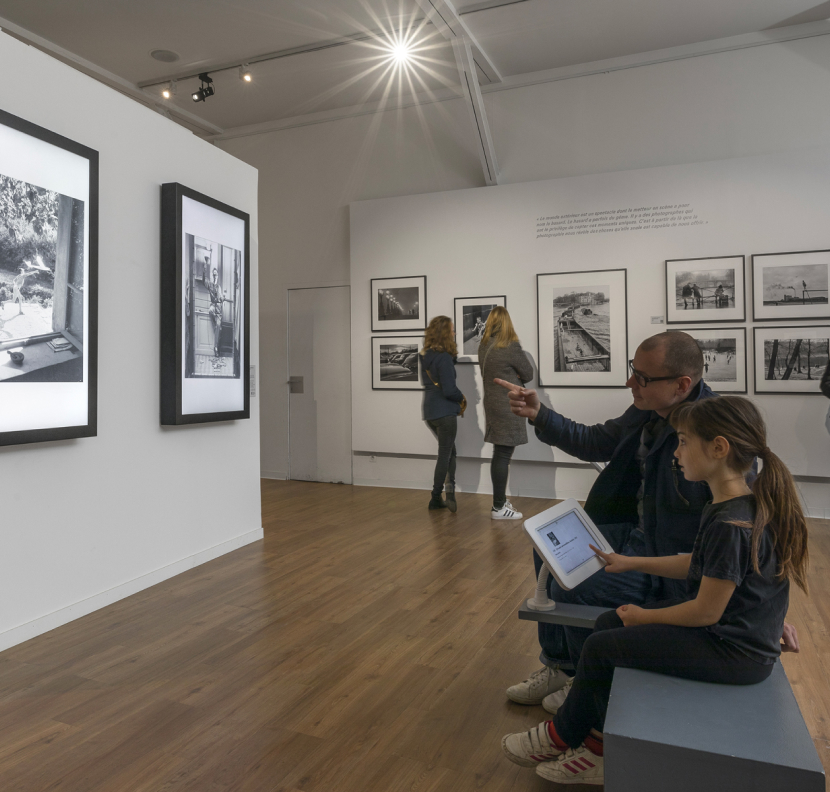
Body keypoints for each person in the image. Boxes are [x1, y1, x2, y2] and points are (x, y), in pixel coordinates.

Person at [501, 395, 809, 786]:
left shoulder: (731, 522)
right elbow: (699, 562)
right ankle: (594, 737)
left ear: (718, 448)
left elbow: (705, 612)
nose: (676, 453)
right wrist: (630, 562)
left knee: (602, 644)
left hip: (734, 652)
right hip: (737, 640)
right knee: (610, 623)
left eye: (682, 442)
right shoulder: (736, 505)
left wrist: (644, 616)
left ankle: (569, 739)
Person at [496, 332, 798, 711]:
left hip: (670, 560)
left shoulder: (713, 431)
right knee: (551, 552)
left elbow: (751, 538)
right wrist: (540, 414)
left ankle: (582, 676)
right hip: (638, 533)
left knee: (576, 587)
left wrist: (768, 613)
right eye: (632, 372)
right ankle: (559, 664)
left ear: (681, 385)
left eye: (641, 377)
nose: (629, 383)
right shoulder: (649, 408)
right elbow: (596, 441)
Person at [478, 306, 533, 520]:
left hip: (492, 403)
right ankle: (499, 507)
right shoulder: (510, 346)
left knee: (500, 453)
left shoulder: (484, 346)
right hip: (507, 404)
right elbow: (527, 374)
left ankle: (499, 502)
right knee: (502, 454)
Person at [421, 316, 465, 512]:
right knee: (445, 454)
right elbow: (449, 390)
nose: (455, 333)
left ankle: (448, 494)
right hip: (445, 411)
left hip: (430, 411)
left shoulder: (424, 355)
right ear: (446, 333)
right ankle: (437, 497)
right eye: (452, 330)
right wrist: (462, 397)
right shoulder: (444, 358)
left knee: (449, 452)